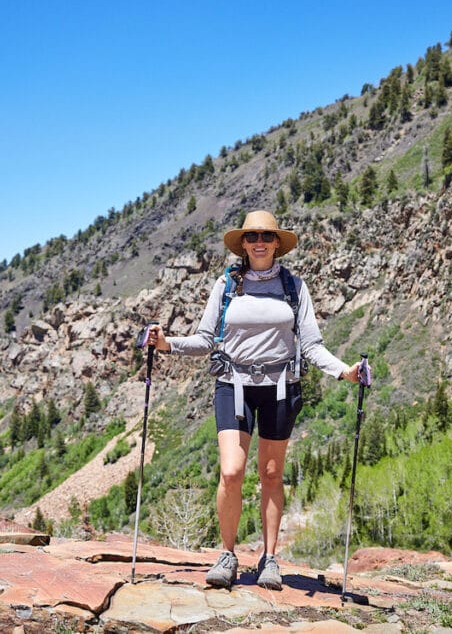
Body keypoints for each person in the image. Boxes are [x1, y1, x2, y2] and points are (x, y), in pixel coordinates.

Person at [144, 210, 359, 590]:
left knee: (271, 475)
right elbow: (205, 339)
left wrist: (344, 371)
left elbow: (310, 344)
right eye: (251, 236)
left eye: (266, 235)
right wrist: (167, 344)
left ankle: (270, 559)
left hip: (281, 387)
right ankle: (227, 554)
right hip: (233, 384)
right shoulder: (226, 285)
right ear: (242, 244)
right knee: (232, 471)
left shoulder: (294, 287)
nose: (259, 241)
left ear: (278, 243)